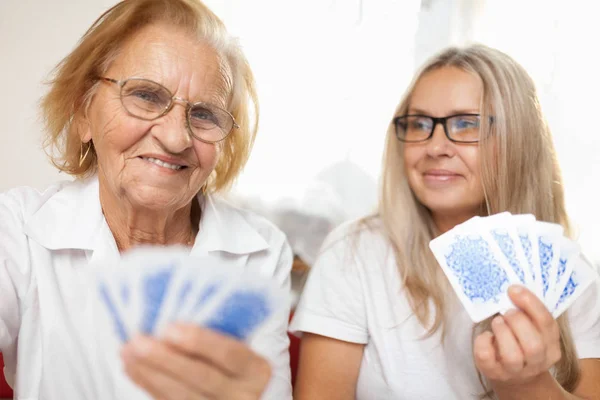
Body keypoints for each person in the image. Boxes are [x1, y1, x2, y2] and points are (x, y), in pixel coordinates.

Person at [0, 0, 293, 399]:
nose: (175, 138)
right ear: (83, 113)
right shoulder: (17, 228)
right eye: (146, 96)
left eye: (205, 114)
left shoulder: (259, 251)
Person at [289, 44, 600, 399]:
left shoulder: (567, 274)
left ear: (519, 139)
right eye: (420, 123)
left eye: (466, 123)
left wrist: (527, 385)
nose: (435, 146)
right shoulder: (354, 252)